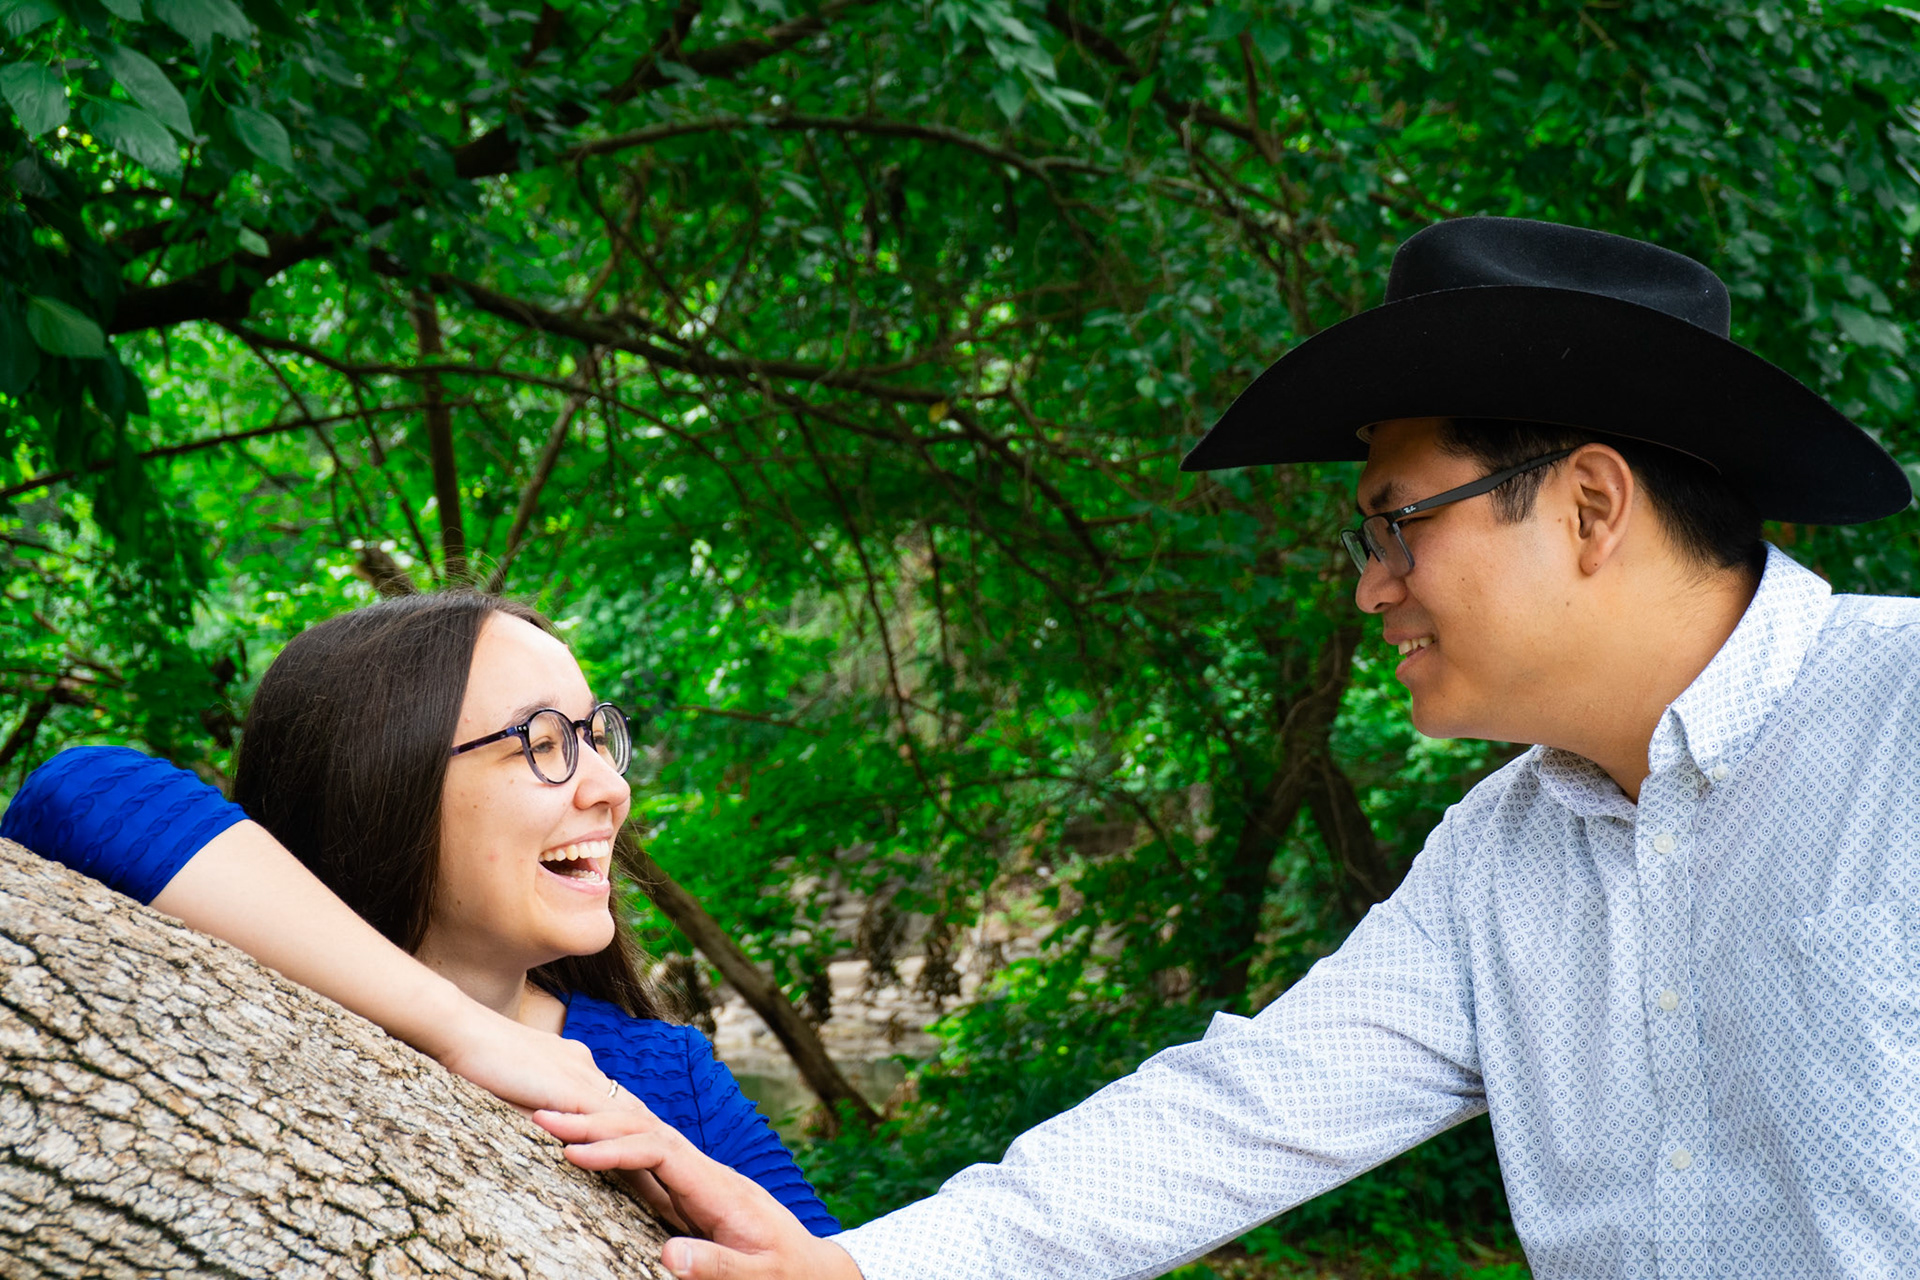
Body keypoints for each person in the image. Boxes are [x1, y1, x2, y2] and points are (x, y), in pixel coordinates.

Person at [536, 216, 1920, 1279]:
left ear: (1591, 508)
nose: (1370, 586)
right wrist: (864, 1269)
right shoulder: (1503, 856)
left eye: (1396, 523)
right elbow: (1240, 1111)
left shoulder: (1900, 721)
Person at [0, 591, 838, 1236]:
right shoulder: (237, 998)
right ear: (383, 788)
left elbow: (838, 1261)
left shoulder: (668, 1077)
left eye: (594, 736)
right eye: (544, 742)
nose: (610, 788)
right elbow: (79, 794)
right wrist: (470, 1035)